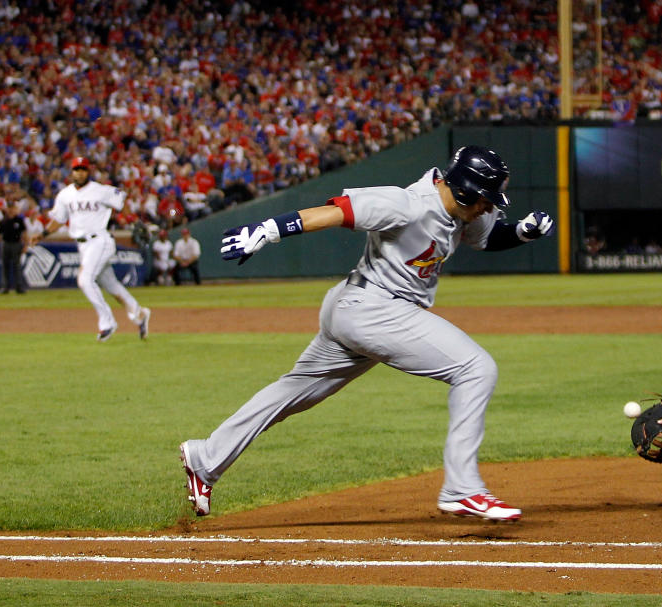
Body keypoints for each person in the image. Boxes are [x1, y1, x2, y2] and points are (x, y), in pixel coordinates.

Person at [179, 146, 555, 521]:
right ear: (464, 190)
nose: (489, 209)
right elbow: (337, 211)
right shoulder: (406, 203)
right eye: (486, 201)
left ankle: (206, 458)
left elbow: (488, 237)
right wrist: (267, 230)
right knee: (476, 369)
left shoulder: (461, 210)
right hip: (373, 308)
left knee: (292, 393)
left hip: (357, 310)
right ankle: (463, 489)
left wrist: (522, 233)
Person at [35, 156, 151, 341]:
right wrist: (42, 235)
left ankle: (107, 323)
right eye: (76, 169)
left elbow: (121, 201)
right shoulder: (65, 195)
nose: (79, 172)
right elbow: (58, 220)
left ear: (88, 171)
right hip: (83, 245)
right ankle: (139, 314)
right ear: (71, 172)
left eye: (83, 169)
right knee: (111, 285)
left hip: (100, 240)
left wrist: (135, 220)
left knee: (84, 280)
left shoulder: (99, 190)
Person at [0, 203, 28, 294]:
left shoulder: (19, 220)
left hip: (16, 244)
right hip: (6, 244)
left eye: (13, 208)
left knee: (17, 266)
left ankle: (19, 287)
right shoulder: (4, 221)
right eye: (10, 208)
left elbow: (24, 234)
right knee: (5, 266)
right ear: (7, 209)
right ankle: (5, 287)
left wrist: (26, 245)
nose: (11, 210)